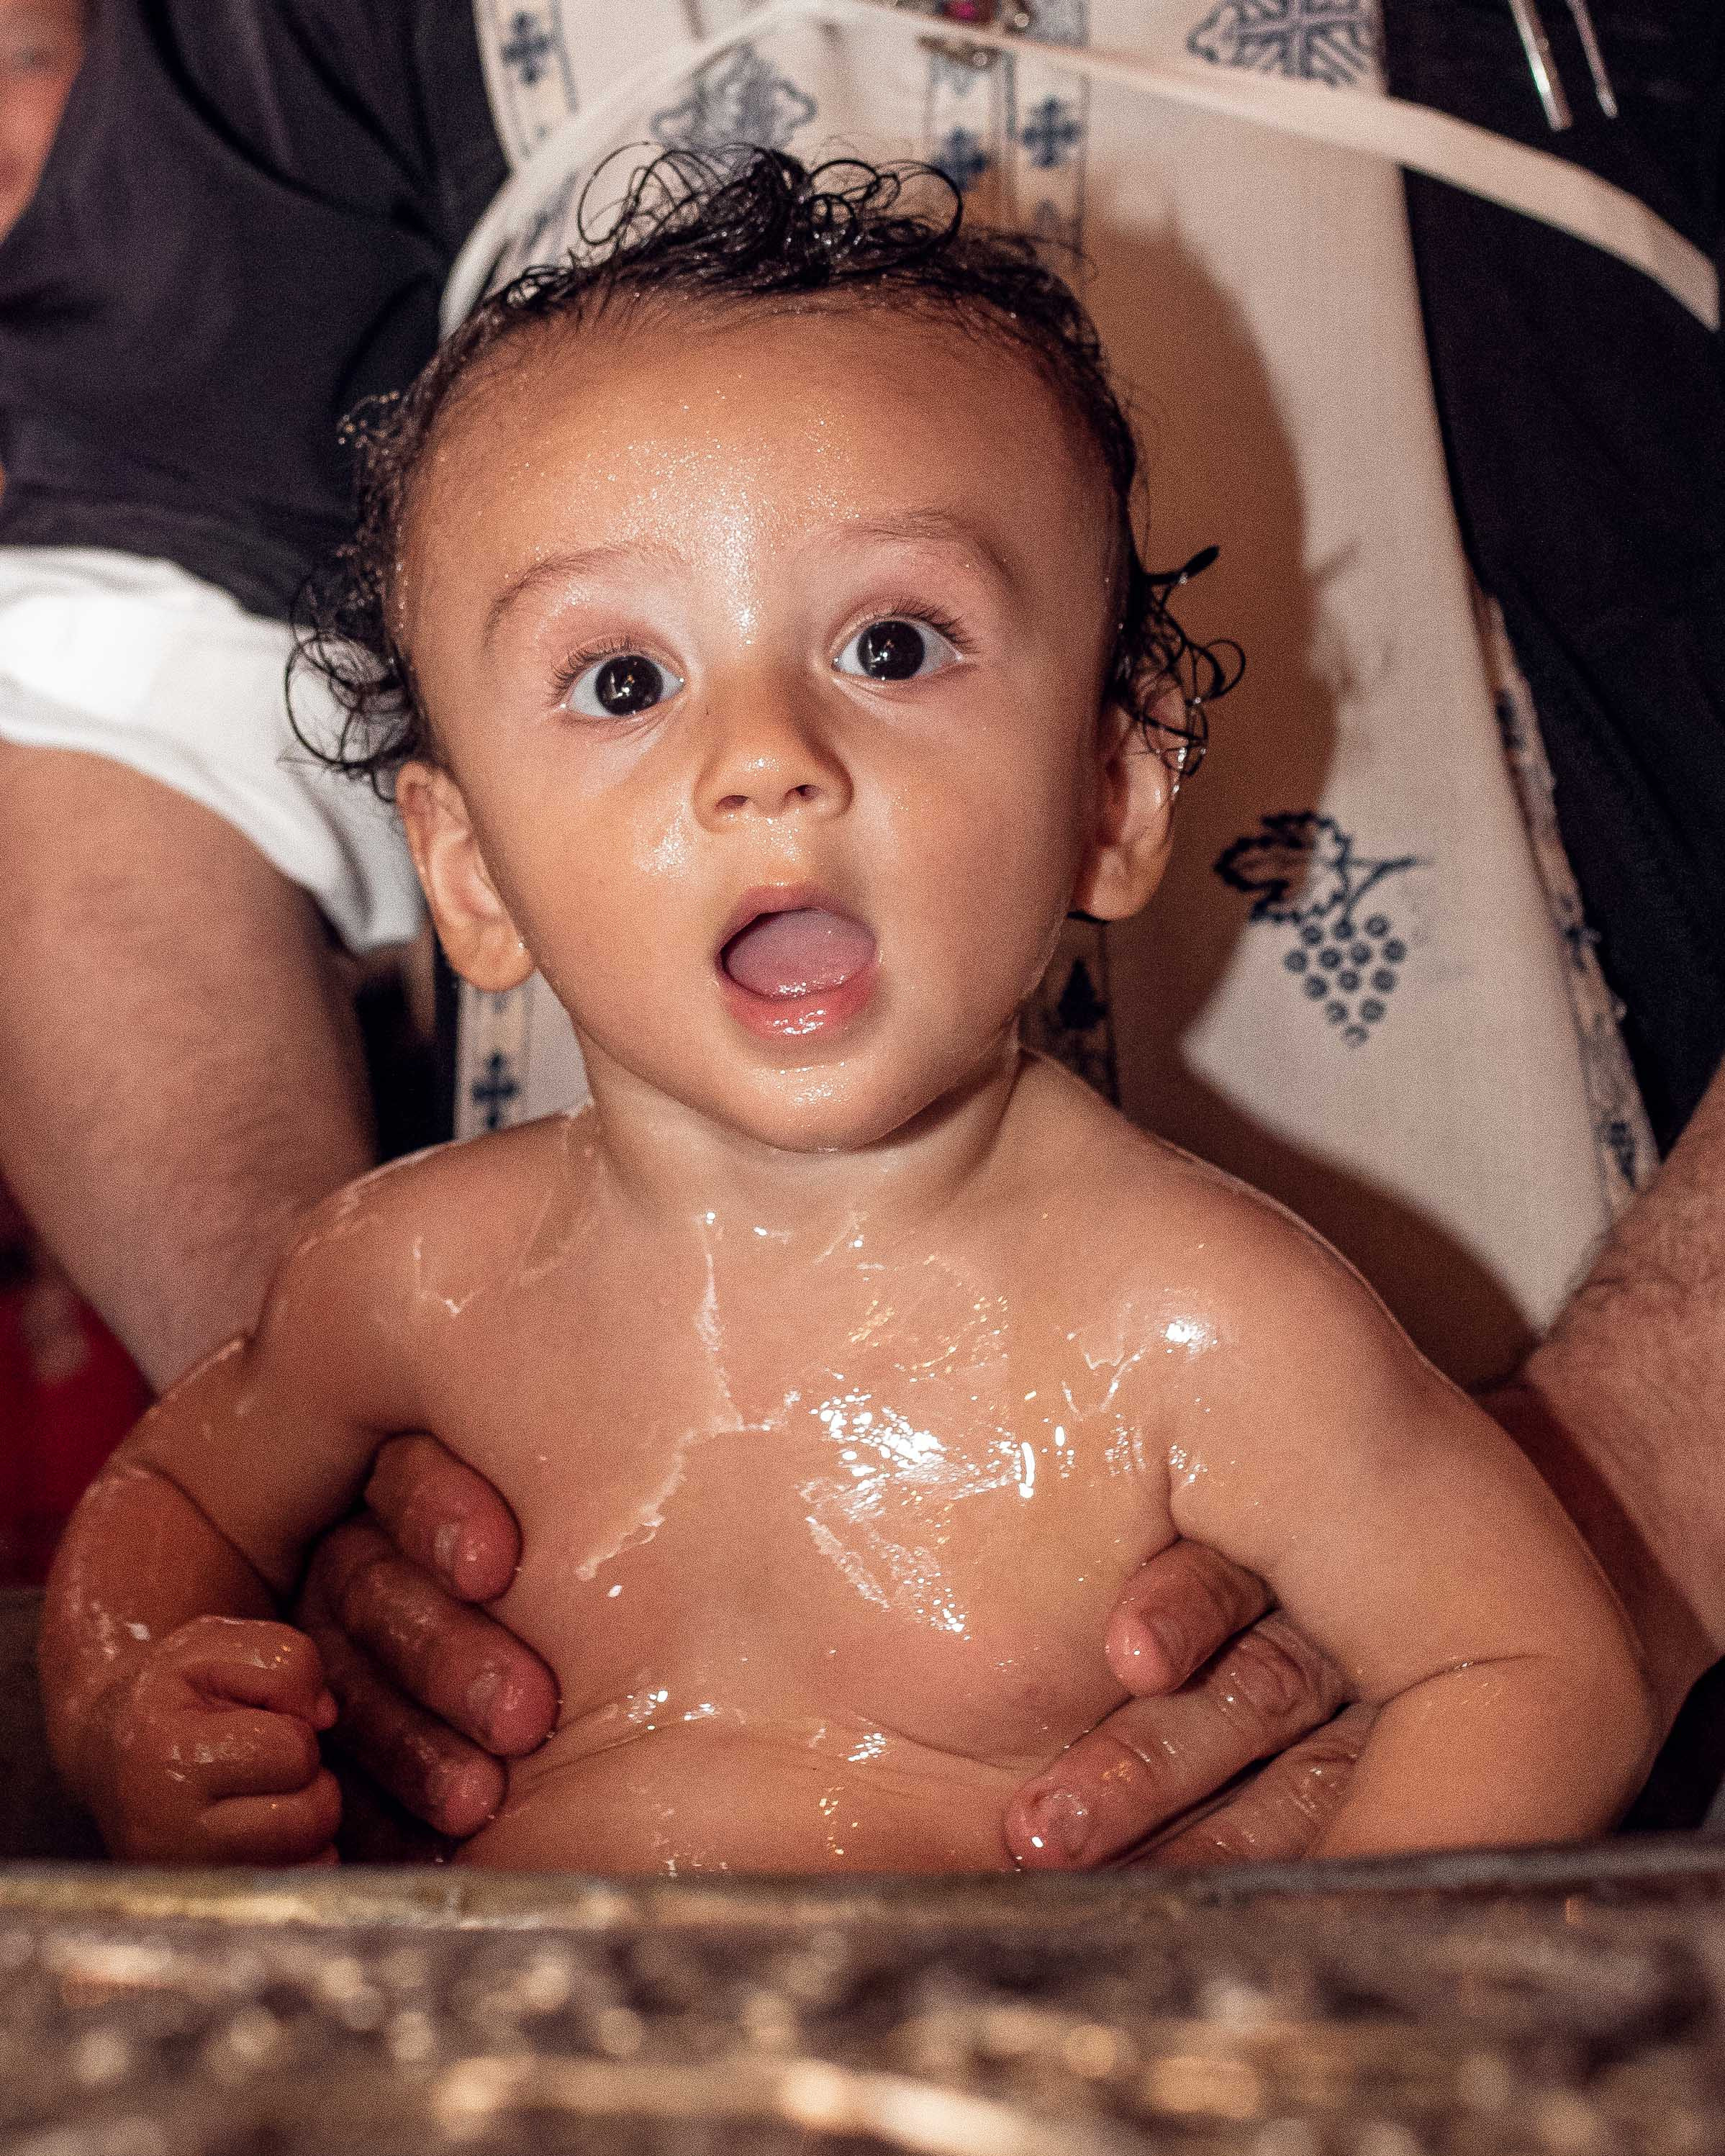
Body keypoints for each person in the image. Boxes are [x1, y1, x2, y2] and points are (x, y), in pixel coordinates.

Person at [3, 0, 1723, 1867]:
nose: (768, 761)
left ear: (1115, 795)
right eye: (625, 676)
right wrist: (130, 1697)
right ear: (467, 868)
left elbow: (1539, 1661)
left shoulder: (1208, 1320)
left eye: (892, 646)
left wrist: (1323, 1989)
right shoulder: (402, 1293)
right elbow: (175, 1487)